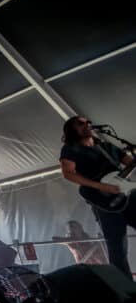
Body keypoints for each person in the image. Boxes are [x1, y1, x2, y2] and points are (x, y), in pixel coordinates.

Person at [59, 115, 134, 277]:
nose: (87, 125)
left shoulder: (106, 146)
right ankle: (127, 290)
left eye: (88, 122)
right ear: (71, 130)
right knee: (117, 248)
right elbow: (68, 174)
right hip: (104, 201)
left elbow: (129, 162)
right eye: (81, 123)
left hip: (127, 195)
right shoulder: (70, 149)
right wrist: (101, 186)